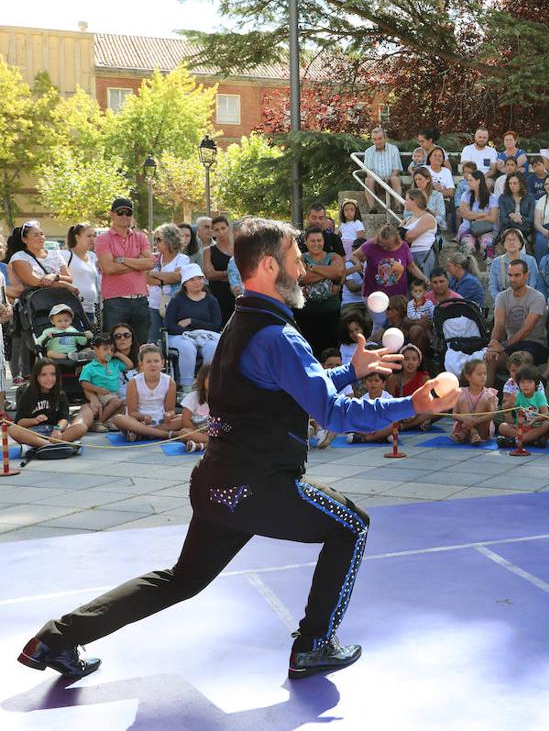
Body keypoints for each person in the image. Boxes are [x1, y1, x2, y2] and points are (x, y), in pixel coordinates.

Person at [19, 216, 460, 680]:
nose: (303, 269)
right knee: (351, 526)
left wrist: (351, 371)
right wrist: (409, 403)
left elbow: (290, 388)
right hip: (258, 486)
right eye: (295, 260)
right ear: (270, 265)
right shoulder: (280, 336)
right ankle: (314, 644)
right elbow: (332, 414)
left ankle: (55, 638)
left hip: (219, 483)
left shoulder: (241, 322)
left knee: (181, 580)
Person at [95, 198, 153, 343]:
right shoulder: (103, 239)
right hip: (115, 301)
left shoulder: (140, 237)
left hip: (141, 300)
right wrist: (138, 262)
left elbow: (151, 262)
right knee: (113, 347)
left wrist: (121, 259)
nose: (124, 216)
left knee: (140, 346)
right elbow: (108, 268)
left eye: (128, 213)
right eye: (120, 212)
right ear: (112, 214)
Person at [485, 260, 548, 386]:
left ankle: (520, 401)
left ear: (526, 276)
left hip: (535, 344)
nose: (512, 279)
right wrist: (493, 345)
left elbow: (527, 329)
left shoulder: (537, 297)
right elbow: (499, 323)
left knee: (521, 360)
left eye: (517, 275)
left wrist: (503, 346)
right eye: (510, 275)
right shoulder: (501, 297)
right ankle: (486, 400)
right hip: (512, 345)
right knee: (490, 359)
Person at [6, 358, 90, 452]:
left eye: (52, 374)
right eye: (43, 375)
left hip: (55, 432)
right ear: (36, 377)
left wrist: (57, 429)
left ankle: (45, 445)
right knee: (13, 429)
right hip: (34, 434)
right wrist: (34, 420)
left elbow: (64, 418)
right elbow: (19, 422)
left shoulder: (60, 394)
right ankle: (50, 445)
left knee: (81, 427)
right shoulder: (27, 394)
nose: (49, 378)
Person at [164, 263, 222, 391]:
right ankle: (187, 386)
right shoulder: (177, 300)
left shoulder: (211, 301)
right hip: (180, 336)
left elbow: (216, 325)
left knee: (213, 347)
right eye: (192, 279)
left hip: (205, 336)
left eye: (199, 278)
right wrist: (188, 333)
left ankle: (207, 384)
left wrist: (192, 321)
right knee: (187, 347)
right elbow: (170, 325)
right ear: (185, 283)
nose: (197, 282)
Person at [354, 223, 424, 327]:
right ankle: (375, 343)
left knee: (397, 324)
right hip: (374, 293)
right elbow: (354, 255)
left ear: (395, 240)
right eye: (382, 245)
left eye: (388, 245)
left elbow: (411, 266)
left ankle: (379, 343)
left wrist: (424, 278)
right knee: (381, 323)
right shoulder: (371, 244)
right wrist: (357, 263)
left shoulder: (403, 246)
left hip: (397, 295)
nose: (384, 248)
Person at [295, 227, 344, 358]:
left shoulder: (333, 256)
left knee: (330, 351)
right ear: (306, 241)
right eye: (312, 240)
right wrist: (329, 272)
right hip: (306, 314)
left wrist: (313, 268)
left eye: (319, 240)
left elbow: (339, 273)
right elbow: (301, 277)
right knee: (308, 351)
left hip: (330, 312)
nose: (316, 244)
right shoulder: (300, 258)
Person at [78, 333, 123, 430]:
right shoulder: (90, 367)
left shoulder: (114, 363)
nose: (109, 352)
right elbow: (83, 383)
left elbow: (130, 365)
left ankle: (109, 421)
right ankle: (99, 422)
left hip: (114, 394)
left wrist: (118, 354)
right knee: (116, 402)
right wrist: (98, 390)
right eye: (105, 349)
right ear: (96, 350)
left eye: (112, 350)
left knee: (121, 403)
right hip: (102, 394)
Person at [450, 358, 498, 445]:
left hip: (482, 428)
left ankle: (466, 432)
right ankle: (472, 432)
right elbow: (454, 414)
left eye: (485, 374)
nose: (483, 376)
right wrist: (464, 418)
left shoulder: (489, 393)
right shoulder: (461, 392)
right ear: (468, 377)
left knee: (484, 401)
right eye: (479, 374)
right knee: (463, 400)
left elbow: (493, 413)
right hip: (464, 425)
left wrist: (476, 421)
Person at [64, 223, 102, 328]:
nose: (92, 239)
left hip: (92, 309)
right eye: (89, 236)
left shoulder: (92, 256)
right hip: (72, 309)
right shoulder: (66, 255)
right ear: (77, 237)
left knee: (92, 342)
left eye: (94, 236)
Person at [201, 215, 236, 325]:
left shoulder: (239, 248)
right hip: (217, 295)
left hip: (237, 294)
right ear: (213, 232)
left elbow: (245, 271)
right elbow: (209, 274)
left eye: (223, 228)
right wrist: (231, 272)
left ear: (228, 228)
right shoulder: (208, 251)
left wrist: (220, 274)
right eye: (216, 230)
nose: (220, 232)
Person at [456, 165, 499, 257]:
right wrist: (483, 214)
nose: (468, 182)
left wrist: (471, 215)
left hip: (487, 229)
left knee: (487, 245)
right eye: (468, 180)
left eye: (470, 180)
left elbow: (492, 219)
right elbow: (464, 214)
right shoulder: (466, 195)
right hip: (468, 228)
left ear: (478, 181)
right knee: (467, 246)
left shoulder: (492, 197)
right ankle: (466, 269)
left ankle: (490, 268)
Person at [487, 228, 541, 298]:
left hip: (526, 300)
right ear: (503, 243)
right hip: (503, 300)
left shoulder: (530, 260)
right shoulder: (496, 262)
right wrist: (500, 300)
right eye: (508, 240)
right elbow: (492, 286)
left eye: (514, 240)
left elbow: (533, 284)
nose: (511, 242)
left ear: (520, 243)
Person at [361, 126, 404, 210]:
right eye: (375, 139)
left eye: (380, 138)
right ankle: (372, 208)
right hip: (375, 180)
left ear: (385, 138)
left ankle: (398, 206)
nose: (378, 141)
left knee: (395, 178)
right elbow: (368, 171)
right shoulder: (368, 152)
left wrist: (390, 177)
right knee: (368, 180)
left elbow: (396, 168)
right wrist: (378, 179)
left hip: (391, 179)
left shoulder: (393, 149)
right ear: (372, 140)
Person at [180, 363, 212, 454]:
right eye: (210, 378)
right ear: (202, 379)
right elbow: (185, 420)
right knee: (183, 432)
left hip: (216, 433)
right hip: (198, 432)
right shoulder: (193, 397)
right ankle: (207, 444)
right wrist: (196, 431)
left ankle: (201, 446)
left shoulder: (223, 398)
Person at [498, 170, 535, 239]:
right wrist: (513, 219)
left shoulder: (530, 197)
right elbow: (503, 220)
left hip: (525, 229)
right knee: (513, 235)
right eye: (510, 183)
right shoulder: (503, 197)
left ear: (521, 183)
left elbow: (531, 219)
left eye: (515, 183)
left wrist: (516, 217)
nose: (512, 186)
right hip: (508, 228)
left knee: (516, 235)